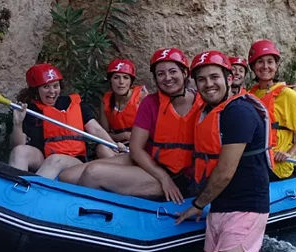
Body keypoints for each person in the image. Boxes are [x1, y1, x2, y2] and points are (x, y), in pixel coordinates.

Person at [175, 50, 274, 252]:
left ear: (229, 79)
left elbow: (225, 172)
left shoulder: (239, 112)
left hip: (246, 205)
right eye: (201, 79)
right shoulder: (207, 111)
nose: (208, 84)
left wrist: (197, 205)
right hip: (221, 203)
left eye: (214, 77)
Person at [62, 48, 202, 203]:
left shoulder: (202, 104)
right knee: (67, 176)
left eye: (172, 71)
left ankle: (91, 218)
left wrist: (166, 178)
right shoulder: (151, 103)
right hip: (151, 163)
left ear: (184, 73)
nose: (167, 78)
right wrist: (161, 176)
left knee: (92, 173)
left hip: (177, 175)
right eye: (160, 74)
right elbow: (136, 148)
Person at [8, 63, 124, 179]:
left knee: (55, 159)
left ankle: (32, 192)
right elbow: (17, 145)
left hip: (74, 161)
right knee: (20, 151)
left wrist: (114, 146)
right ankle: (13, 187)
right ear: (36, 90)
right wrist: (18, 123)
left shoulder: (75, 104)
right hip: (43, 158)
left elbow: (96, 129)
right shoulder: (31, 110)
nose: (52, 91)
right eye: (46, 87)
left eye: (55, 86)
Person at [246, 39, 296, 181]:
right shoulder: (251, 95)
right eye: (260, 62)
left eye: (270, 61)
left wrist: (290, 154)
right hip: (257, 162)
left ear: (276, 66)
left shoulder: (287, 94)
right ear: (253, 66)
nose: (265, 66)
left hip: (277, 166)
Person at [99, 58, 149, 146]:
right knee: (101, 148)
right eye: (116, 77)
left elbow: (154, 130)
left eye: (125, 78)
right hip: (119, 145)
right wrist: (122, 136)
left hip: (142, 144)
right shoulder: (105, 101)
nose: (121, 82)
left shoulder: (142, 98)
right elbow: (104, 134)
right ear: (110, 81)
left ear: (131, 82)